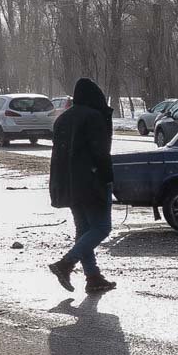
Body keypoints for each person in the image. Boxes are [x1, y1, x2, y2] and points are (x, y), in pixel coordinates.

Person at [48, 78, 117, 293]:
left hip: (67, 183)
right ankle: (66, 263)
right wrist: (107, 178)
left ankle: (93, 276)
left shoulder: (63, 119)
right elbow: (100, 153)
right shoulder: (94, 117)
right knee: (102, 228)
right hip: (91, 182)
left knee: (84, 229)